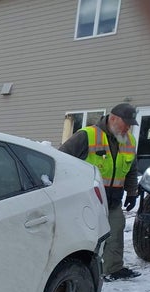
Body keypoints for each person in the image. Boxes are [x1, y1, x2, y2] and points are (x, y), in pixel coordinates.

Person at [59, 103, 140, 281]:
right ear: (112, 118)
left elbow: (132, 169)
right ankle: (77, 270)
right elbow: (61, 159)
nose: (128, 127)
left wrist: (132, 192)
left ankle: (113, 268)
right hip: (88, 199)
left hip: (113, 199)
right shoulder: (87, 135)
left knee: (116, 232)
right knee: (85, 236)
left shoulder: (128, 140)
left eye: (130, 124)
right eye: (125, 123)